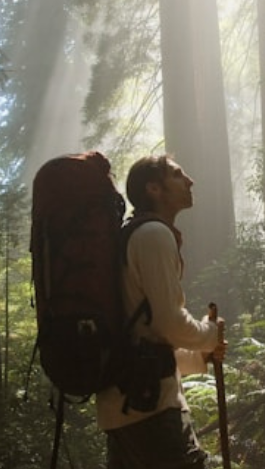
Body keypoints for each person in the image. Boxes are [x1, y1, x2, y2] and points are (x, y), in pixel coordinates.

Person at [96, 154, 227, 469]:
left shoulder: (135, 235)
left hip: (125, 405)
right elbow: (170, 324)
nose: (190, 180)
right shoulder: (153, 235)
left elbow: (144, 334)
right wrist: (210, 335)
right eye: (178, 175)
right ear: (154, 188)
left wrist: (199, 358)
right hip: (149, 408)